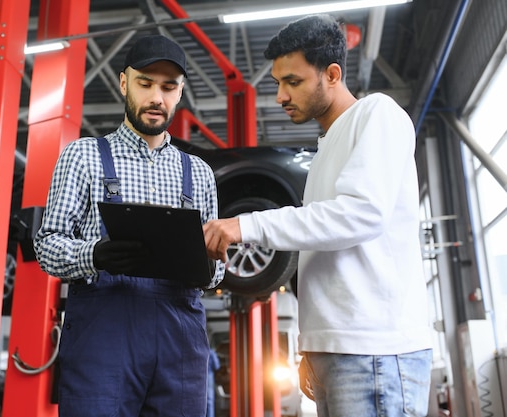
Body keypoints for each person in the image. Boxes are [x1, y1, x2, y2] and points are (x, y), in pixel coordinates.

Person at [203, 14, 432, 417]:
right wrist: (313, 345)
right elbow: (322, 252)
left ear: (331, 74)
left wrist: (247, 224)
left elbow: (359, 216)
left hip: (375, 350)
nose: (280, 96)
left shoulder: (377, 114)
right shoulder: (328, 146)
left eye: (293, 81)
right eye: (277, 83)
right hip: (338, 351)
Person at [33, 34, 225, 417]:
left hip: (179, 334)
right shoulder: (84, 156)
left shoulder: (199, 173)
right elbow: (47, 245)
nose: (157, 98)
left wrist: (213, 263)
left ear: (180, 92)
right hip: (105, 332)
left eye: (168, 87)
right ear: (124, 83)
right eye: (145, 83)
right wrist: (95, 254)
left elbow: (215, 273)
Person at [206, 347, 220, 417]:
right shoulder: (211, 352)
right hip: (209, 376)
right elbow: (217, 366)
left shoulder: (201, 350)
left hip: (200, 377)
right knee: (210, 401)